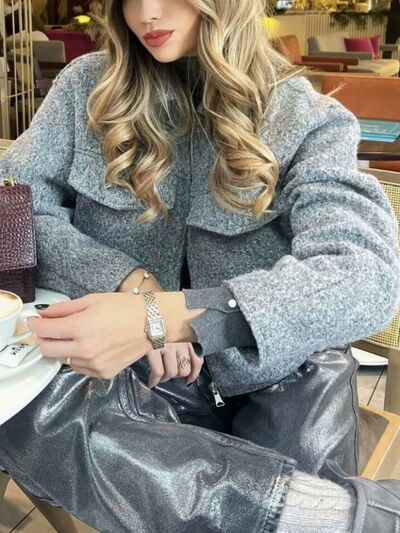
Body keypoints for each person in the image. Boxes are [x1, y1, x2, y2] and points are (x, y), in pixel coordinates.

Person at [0, 0, 400, 531]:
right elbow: (17, 208)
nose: (147, 13)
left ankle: (310, 513)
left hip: (287, 377)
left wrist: (170, 316)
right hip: (137, 376)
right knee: (25, 409)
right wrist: (130, 283)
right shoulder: (86, 89)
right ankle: (342, 517)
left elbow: (366, 274)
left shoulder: (305, 117)